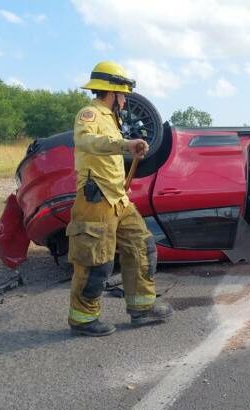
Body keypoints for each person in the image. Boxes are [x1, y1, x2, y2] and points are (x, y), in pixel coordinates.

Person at [67, 61, 173, 336]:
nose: (125, 100)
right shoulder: (89, 114)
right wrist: (125, 144)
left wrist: (128, 151)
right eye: (123, 94)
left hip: (118, 200)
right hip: (96, 199)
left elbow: (109, 155)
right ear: (111, 93)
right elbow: (87, 142)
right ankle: (83, 318)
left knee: (142, 245)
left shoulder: (112, 120)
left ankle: (142, 308)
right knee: (96, 261)